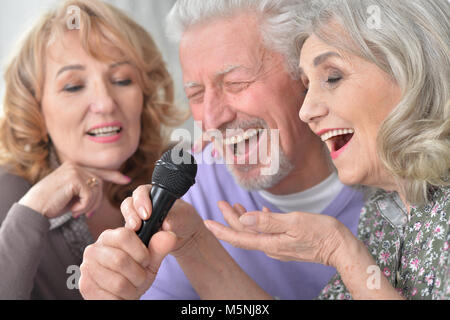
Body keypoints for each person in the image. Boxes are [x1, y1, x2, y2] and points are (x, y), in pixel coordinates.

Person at [79, 0, 364, 300]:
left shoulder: (387, 183)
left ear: (305, 77)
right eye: (197, 94)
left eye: (235, 83)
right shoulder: (190, 195)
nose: (212, 119)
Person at [204, 0, 450, 299]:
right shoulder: (381, 213)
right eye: (307, 87)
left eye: (333, 77)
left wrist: (340, 249)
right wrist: (192, 244)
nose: (305, 110)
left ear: (413, 70)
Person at [0, 0, 184, 299]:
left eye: (122, 80)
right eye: (73, 86)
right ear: (35, 108)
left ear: (145, 95)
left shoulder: (179, 173)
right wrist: (31, 211)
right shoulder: (7, 191)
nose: (106, 102)